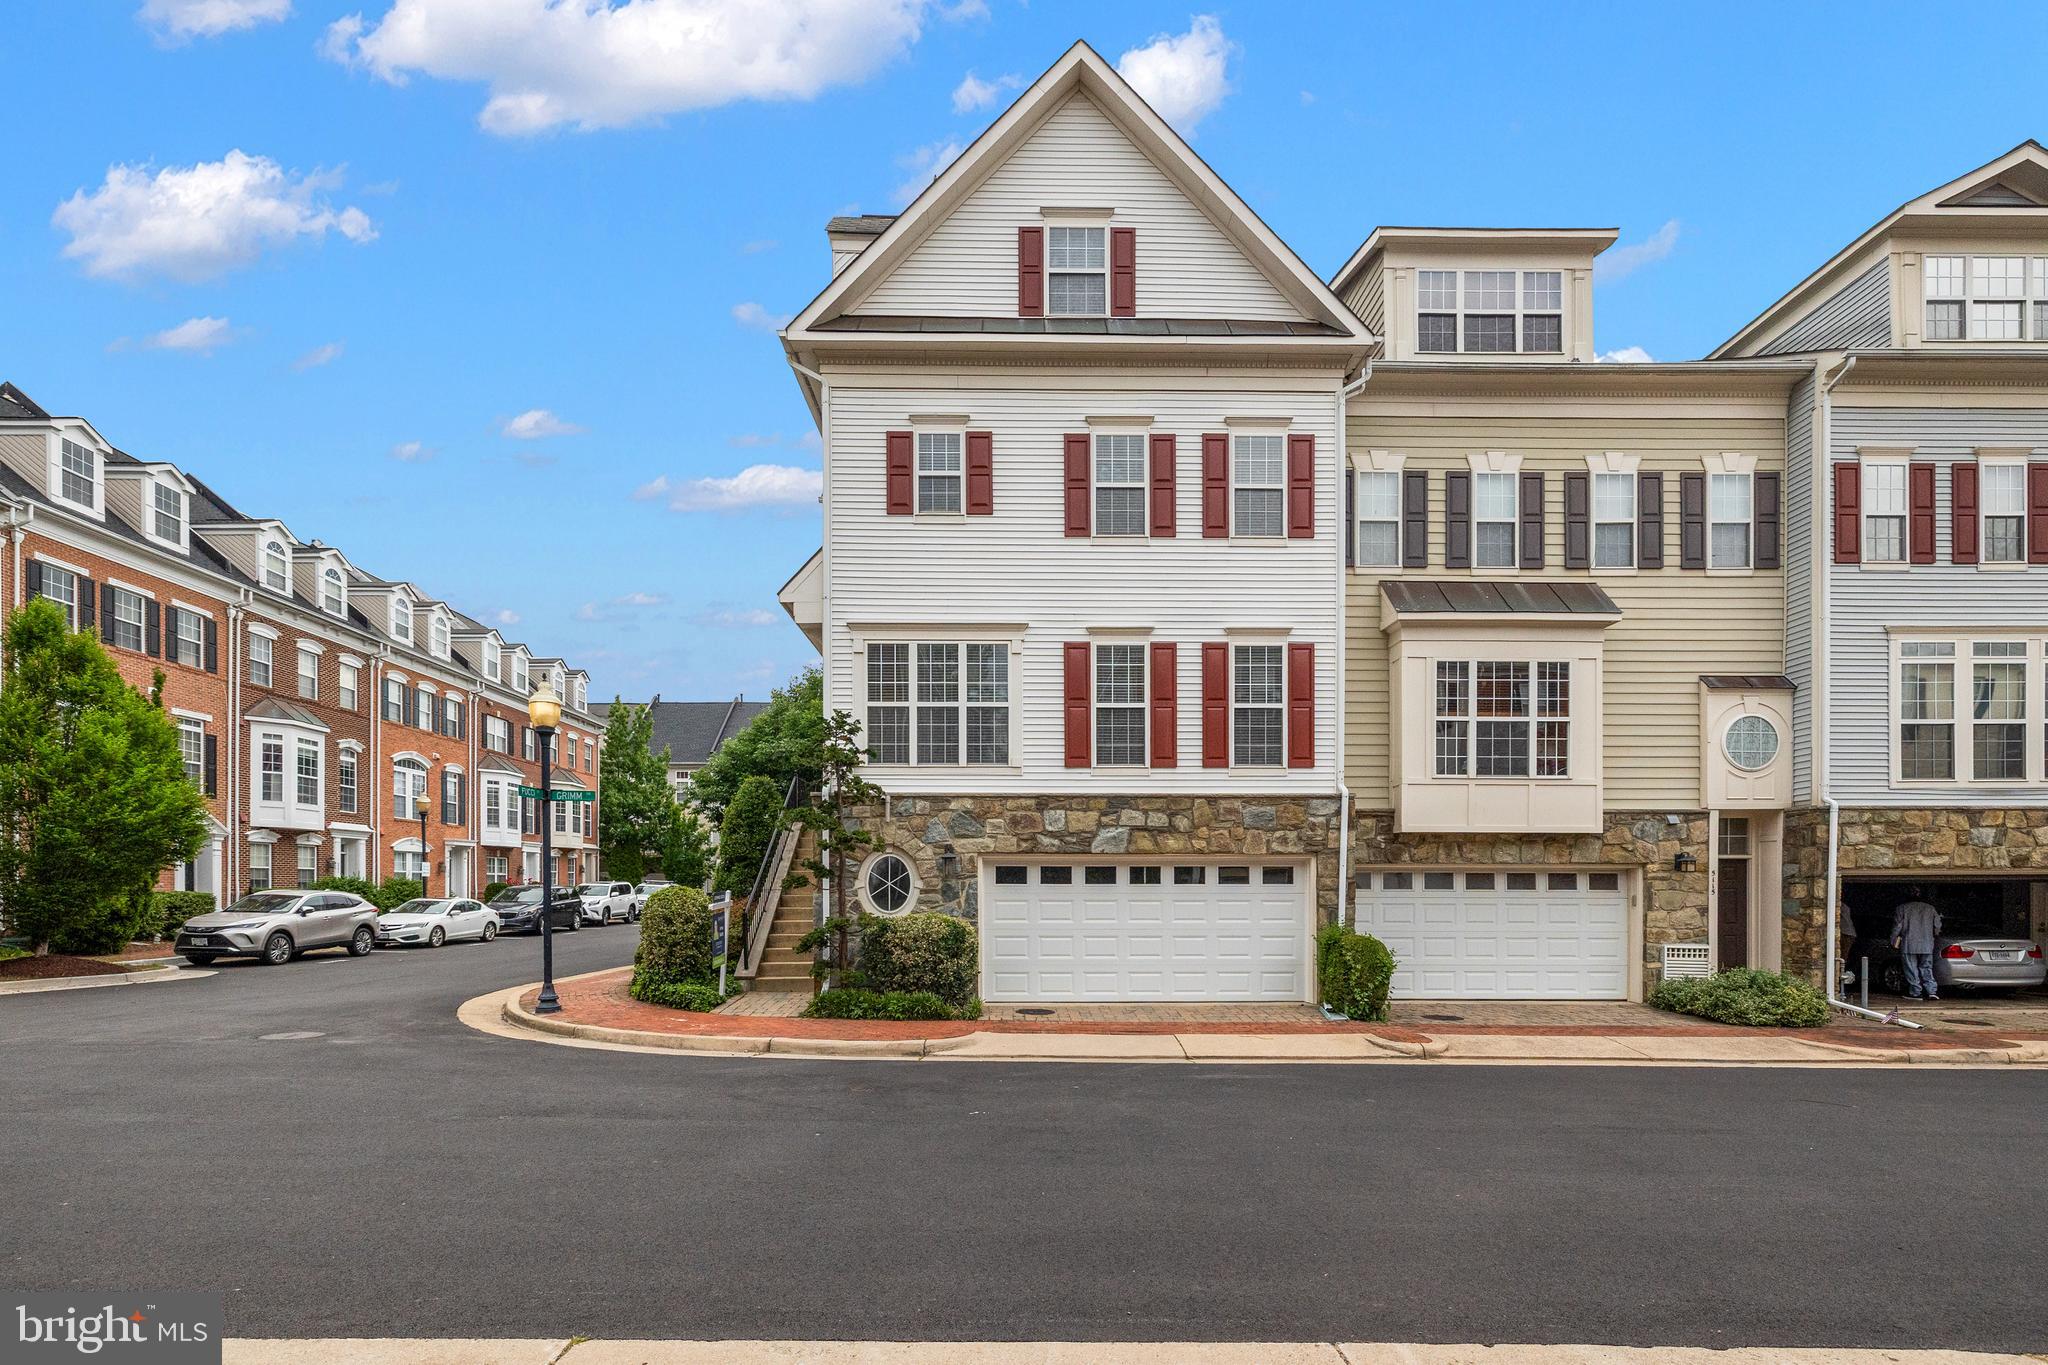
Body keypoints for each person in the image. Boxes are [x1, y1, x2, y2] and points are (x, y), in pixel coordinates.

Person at [1891, 887, 1943, 1001]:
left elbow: (1898, 926)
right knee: (1927, 967)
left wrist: (1893, 940)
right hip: (1927, 943)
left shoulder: (1902, 908)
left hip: (1909, 943)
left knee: (1911, 968)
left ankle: (1915, 992)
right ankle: (1931, 991)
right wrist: (1934, 935)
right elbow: (1937, 926)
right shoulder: (1930, 908)